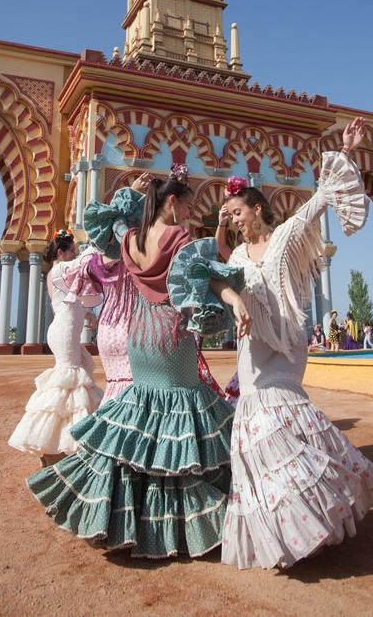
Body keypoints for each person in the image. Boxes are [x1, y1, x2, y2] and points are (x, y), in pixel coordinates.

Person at [182, 116, 373, 570]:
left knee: (275, 422)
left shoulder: (285, 238)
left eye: (239, 213)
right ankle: (288, 528)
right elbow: (218, 274)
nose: (236, 222)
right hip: (251, 344)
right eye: (231, 216)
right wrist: (235, 296)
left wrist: (349, 150)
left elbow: (320, 199)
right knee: (255, 431)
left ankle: (308, 518)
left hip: (286, 345)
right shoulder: (237, 254)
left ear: (258, 208)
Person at [26, 165, 250, 560]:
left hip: (139, 336)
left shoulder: (130, 237)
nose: (189, 213)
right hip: (171, 334)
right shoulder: (179, 238)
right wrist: (234, 299)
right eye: (187, 205)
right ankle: (178, 521)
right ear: (171, 202)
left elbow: (110, 218)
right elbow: (207, 275)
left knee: (142, 415)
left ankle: (118, 513)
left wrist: (129, 191)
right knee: (178, 413)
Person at [8, 230, 103, 466]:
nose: (74, 254)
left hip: (64, 329)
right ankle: (56, 448)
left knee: (72, 383)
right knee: (69, 383)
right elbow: (84, 262)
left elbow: (72, 301)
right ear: (61, 252)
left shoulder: (59, 274)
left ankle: (58, 447)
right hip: (64, 331)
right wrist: (99, 240)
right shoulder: (60, 269)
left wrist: (89, 315)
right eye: (71, 250)